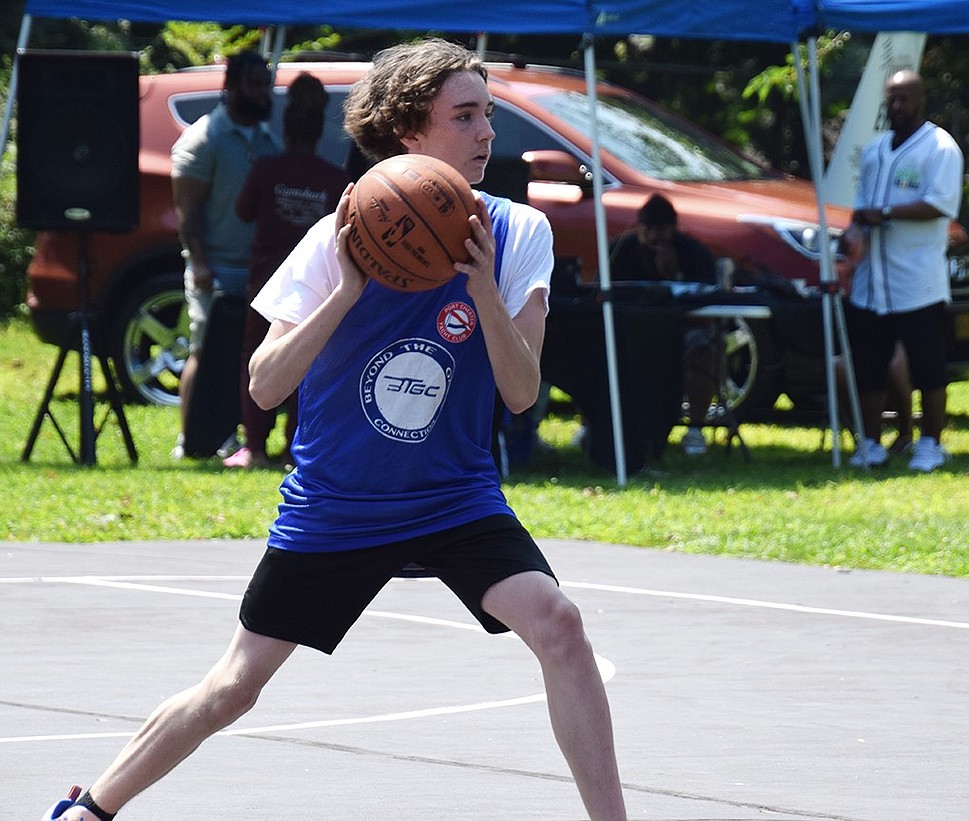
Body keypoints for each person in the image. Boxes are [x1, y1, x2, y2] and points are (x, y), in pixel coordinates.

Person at [42, 38, 627, 821]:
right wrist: (347, 291)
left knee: (559, 622)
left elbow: (520, 396)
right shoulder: (339, 238)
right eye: (466, 115)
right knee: (233, 687)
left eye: (488, 114)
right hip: (339, 504)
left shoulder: (516, 233)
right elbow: (263, 381)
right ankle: (91, 807)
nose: (489, 133)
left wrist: (484, 288)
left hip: (454, 497)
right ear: (408, 130)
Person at [223, 72, 349, 469]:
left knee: (257, 358)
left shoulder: (266, 169)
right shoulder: (335, 179)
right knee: (308, 358)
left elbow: (243, 212)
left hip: (265, 279)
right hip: (318, 284)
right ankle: (295, 448)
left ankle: (254, 448)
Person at [843, 69, 963, 473]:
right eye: (890, 98)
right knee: (870, 365)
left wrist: (888, 213)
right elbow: (861, 208)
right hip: (871, 282)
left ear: (921, 100)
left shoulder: (940, 148)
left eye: (903, 99)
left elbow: (940, 204)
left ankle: (930, 443)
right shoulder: (875, 151)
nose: (895, 106)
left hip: (917, 280)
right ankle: (871, 443)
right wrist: (854, 232)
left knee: (928, 366)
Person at [170, 49, 281, 459]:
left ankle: (229, 435)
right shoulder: (205, 138)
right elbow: (188, 209)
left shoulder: (267, 141)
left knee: (243, 356)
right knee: (204, 351)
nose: (261, 91)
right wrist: (199, 261)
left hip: (255, 271)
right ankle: (191, 439)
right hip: (214, 266)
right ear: (231, 86)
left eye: (264, 83)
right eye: (253, 83)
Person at [609, 193, 718, 456]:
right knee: (598, 348)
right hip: (632, 332)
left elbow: (708, 299)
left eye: (662, 230)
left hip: (682, 330)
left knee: (705, 350)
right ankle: (597, 425)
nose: (656, 238)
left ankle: (695, 428)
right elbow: (605, 293)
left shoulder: (693, 252)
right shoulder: (622, 249)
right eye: (649, 230)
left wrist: (674, 273)